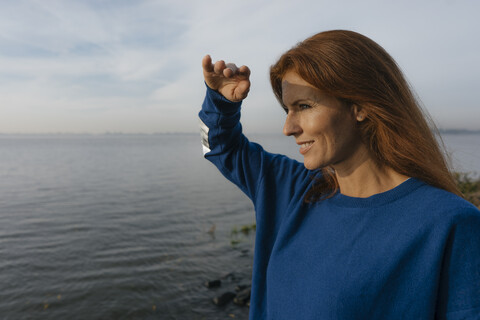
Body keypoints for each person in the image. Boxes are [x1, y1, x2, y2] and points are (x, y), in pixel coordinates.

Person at [198, 30, 480, 319]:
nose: (288, 127)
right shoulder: (291, 190)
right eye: (287, 109)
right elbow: (218, 148)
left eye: (304, 106)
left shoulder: (448, 224)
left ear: (360, 106)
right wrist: (221, 103)